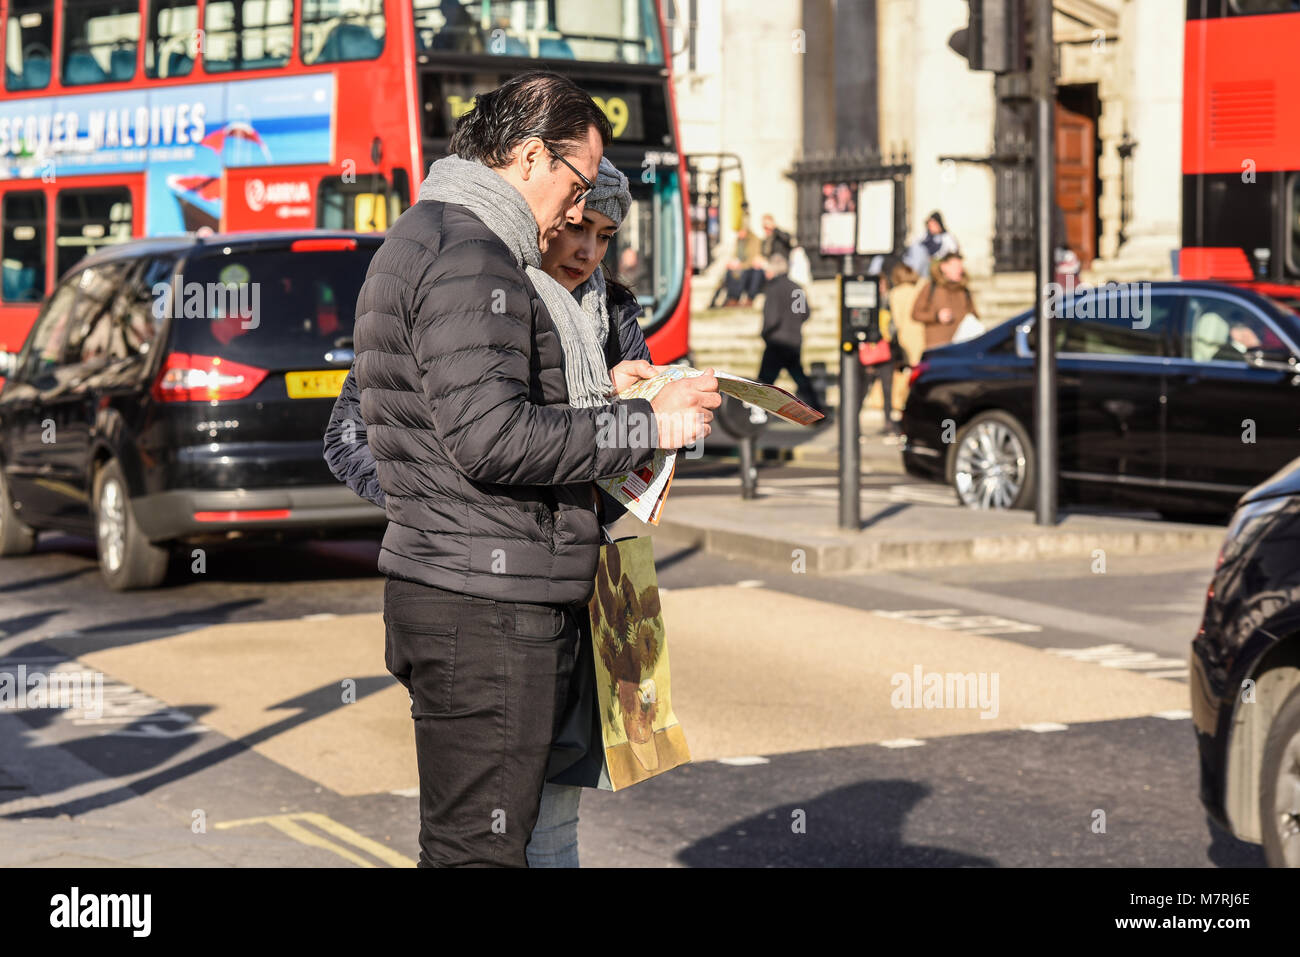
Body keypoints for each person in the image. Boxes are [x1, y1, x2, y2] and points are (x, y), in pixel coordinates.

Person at [346, 71, 721, 868]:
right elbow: (491, 436)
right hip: (486, 606)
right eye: (576, 185)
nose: (574, 213)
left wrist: (607, 399)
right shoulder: (473, 255)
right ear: (528, 157)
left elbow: (459, 418)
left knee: (476, 845)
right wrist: (644, 422)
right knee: (478, 852)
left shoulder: (425, 235)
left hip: (458, 588)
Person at [325, 155, 649, 868]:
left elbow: (616, 455)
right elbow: (351, 437)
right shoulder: (481, 286)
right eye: (577, 225)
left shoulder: (614, 312)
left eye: (605, 234)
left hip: (586, 583)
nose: (587, 249)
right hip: (490, 589)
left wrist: (638, 420)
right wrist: (447, 504)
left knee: (554, 812)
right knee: (487, 835)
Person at [756, 253, 822, 413]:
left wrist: (764, 333)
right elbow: (805, 314)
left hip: (777, 342)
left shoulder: (773, 288)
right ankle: (816, 410)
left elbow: (771, 318)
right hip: (794, 340)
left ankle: (756, 414)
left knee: (764, 382)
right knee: (800, 378)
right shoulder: (796, 288)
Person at [912, 251, 977, 350]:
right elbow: (916, 314)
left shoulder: (964, 290)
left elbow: (974, 314)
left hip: (962, 346)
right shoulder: (930, 288)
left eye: (960, 266)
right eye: (955, 267)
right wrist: (936, 316)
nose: (960, 270)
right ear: (943, 267)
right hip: (938, 347)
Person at [888, 262, 924, 414]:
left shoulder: (895, 293)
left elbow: (896, 320)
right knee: (918, 369)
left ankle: (901, 402)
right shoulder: (920, 288)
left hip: (905, 336)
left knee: (905, 371)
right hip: (921, 334)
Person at [902, 210, 959, 277]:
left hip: (935, 262)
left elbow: (952, 253)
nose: (931, 227)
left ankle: (912, 274)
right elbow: (913, 244)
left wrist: (935, 258)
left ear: (939, 224)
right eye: (929, 225)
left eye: (933, 225)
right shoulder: (925, 235)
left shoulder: (946, 237)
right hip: (922, 260)